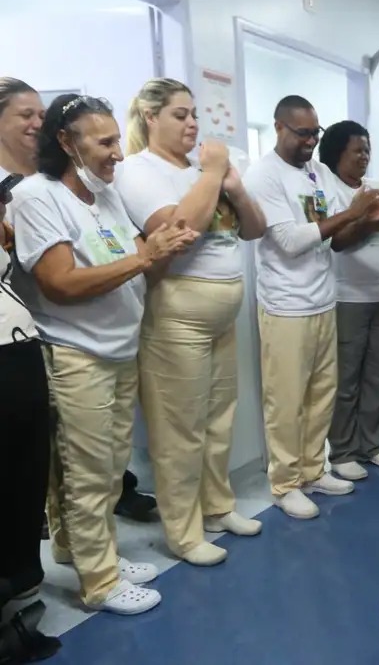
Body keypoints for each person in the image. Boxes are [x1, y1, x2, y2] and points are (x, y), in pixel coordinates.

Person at [10, 94, 197, 614]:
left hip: (118, 349)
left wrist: (159, 245)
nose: (119, 152)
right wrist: (145, 258)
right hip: (76, 354)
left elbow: (139, 250)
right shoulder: (37, 196)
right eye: (106, 142)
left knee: (109, 470)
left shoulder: (104, 194)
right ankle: (100, 581)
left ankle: (82, 550)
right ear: (66, 142)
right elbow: (61, 283)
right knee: (89, 474)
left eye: (118, 140)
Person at [116, 78, 267, 567]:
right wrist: (215, 170)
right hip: (176, 315)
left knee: (218, 419)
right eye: (180, 115)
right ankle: (183, 532)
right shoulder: (138, 170)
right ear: (149, 117)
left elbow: (255, 229)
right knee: (179, 429)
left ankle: (218, 507)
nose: (192, 123)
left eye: (193, 114)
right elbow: (178, 230)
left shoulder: (201, 170)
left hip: (223, 313)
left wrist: (236, 188)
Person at [245, 95, 379, 519]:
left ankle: (311, 469)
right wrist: (353, 213)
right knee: (286, 402)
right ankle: (284, 483)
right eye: (302, 132)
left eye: (315, 133)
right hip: (287, 306)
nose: (310, 141)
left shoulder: (317, 172)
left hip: (323, 299)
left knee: (321, 396)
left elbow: (338, 234)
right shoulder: (263, 177)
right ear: (279, 127)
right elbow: (290, 241)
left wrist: (372, 212)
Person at [319, 120, 379, 480]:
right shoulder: (332, 191)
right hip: (348, 297)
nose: (364, 157)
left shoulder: (374, 189)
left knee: (376, 377)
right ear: (337, 153)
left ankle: (371, 445)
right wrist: (370, 217)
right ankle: (342, 451)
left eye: (367, 150)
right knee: (347, 379)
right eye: (357, 150)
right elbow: (338, 240)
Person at [0, 79, 49, 609]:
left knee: (30, 467)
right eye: (25, 114)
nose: (38, 123)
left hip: (26, 339)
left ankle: (23, 579)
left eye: (42, 113)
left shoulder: (48, 180)